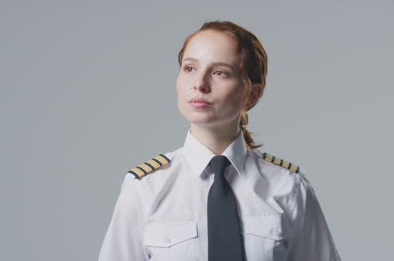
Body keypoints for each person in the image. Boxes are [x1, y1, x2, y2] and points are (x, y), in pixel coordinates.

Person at [98, 20, 341, 261]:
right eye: (190, 68)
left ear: (252, 93)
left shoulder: (288, 188)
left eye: (220, 72)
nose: (200, 84)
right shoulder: (145, 188)